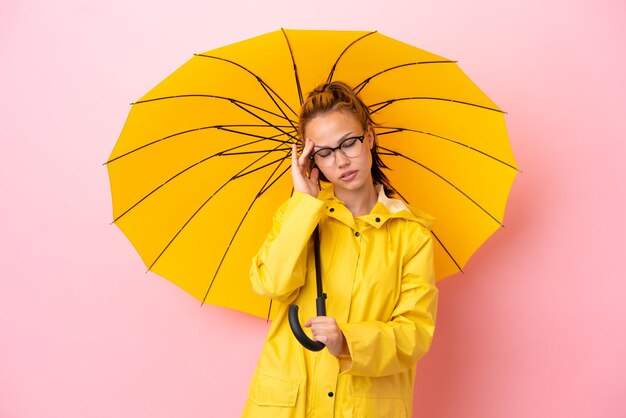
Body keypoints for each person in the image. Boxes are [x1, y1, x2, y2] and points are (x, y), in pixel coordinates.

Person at [241, 81, 438, 417]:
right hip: (288, 406)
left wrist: (348, 340)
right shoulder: (299, 217)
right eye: (325, 152)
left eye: (349, 143)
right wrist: (304, 202)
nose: (341, 161)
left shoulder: (411, 233)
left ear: (370, 137)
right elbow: (270, 284)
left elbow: (414, 333)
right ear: (311, 159)